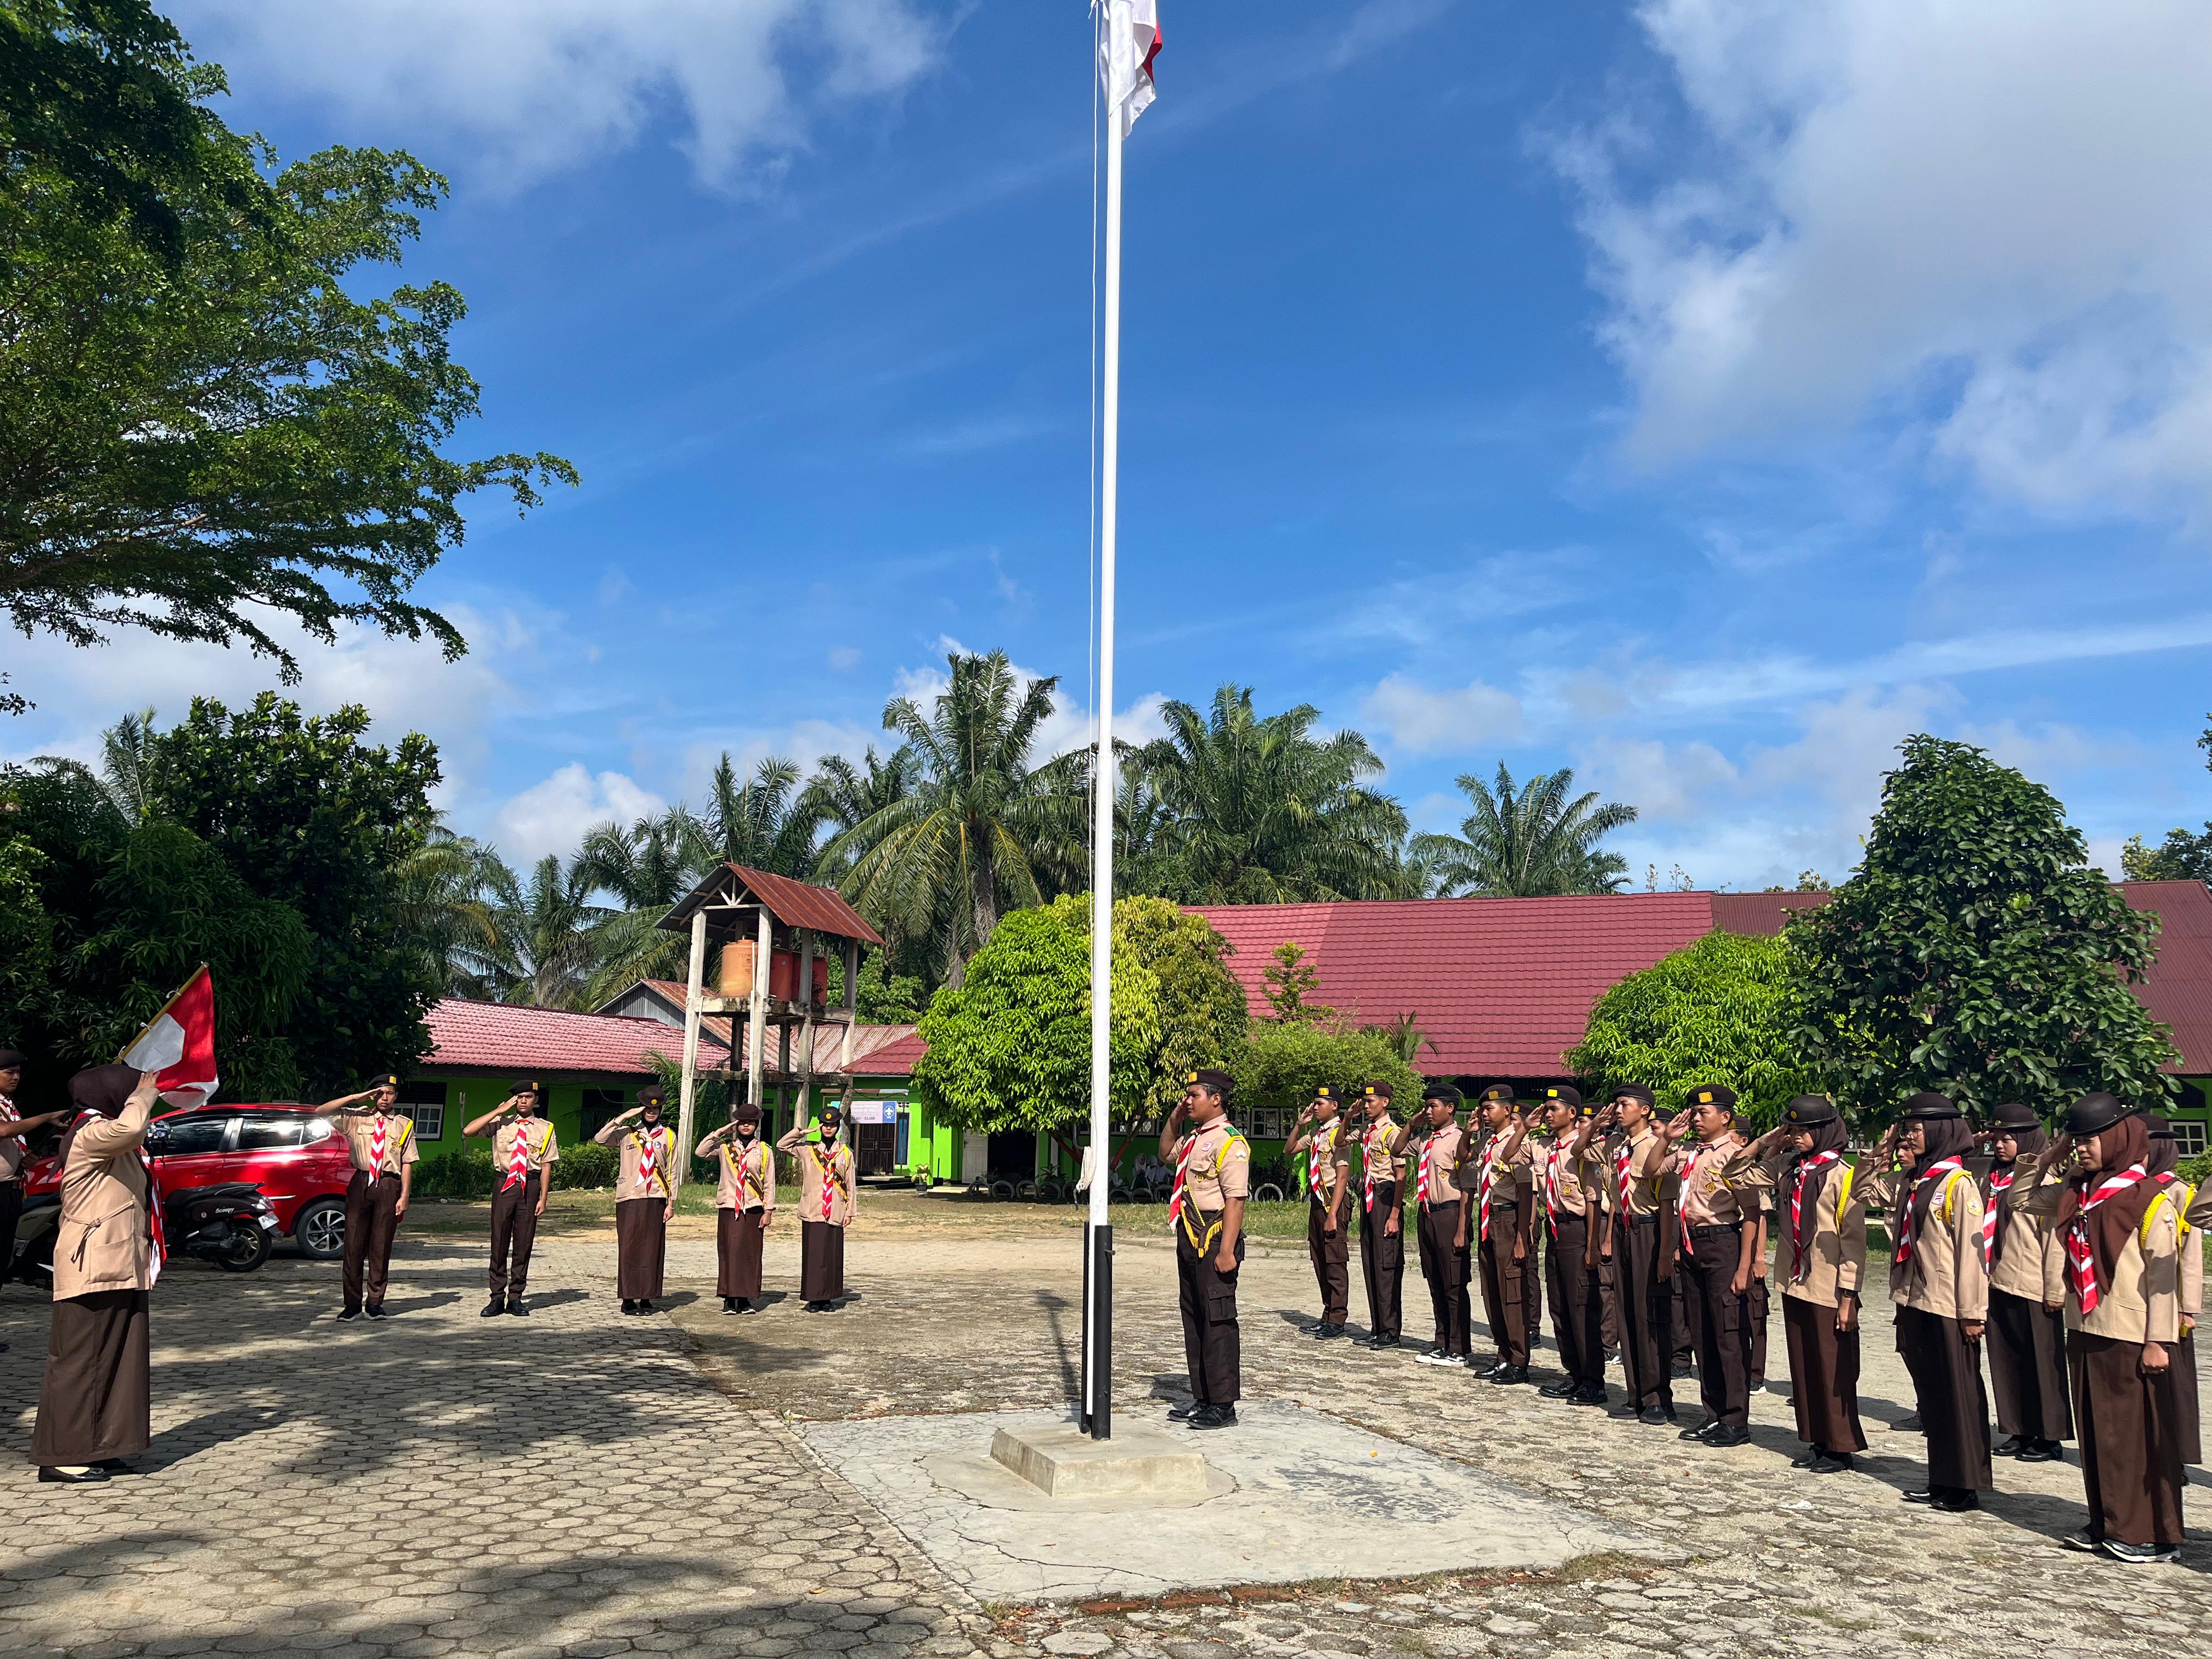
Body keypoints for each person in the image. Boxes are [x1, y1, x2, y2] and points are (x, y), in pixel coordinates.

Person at [2015, 1096, 2183, 1562]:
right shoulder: (2078, 1190)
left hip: (2130, 1331)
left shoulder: (2150, 1198)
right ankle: (2107, 1519)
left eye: (2088, 1139)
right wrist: (2049, 1156)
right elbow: (2022, 1199)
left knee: (2129, 1437)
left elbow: (2162, 1280)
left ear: (2116, 1139)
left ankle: (2143, 1532)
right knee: (2095, 1434)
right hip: (2086, 1323)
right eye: (2077, 1140)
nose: (2082, 1148)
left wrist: (2158, 1341)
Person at [1860, 1093, 1992, 1512]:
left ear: (1938, 1132)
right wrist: (1878, 1154)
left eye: (1916, 1130)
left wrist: (1973, 1313)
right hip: (1914, 1299)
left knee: (1958, 1395)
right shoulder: (1912, 1179)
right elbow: (1864, 1191)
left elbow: (1972, 1255)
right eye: (1908, 1129)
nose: (1910, 1136)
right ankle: (1941, 1479)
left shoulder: (1958, 1184)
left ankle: (1964, 1484)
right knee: (1933, 1396)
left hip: (1949, 1305)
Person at [31, 1065, 161, 1484]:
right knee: (80, 1362)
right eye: (125, 1090)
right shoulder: (92, 1132)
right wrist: (143, 1095)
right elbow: (133, 1128)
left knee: (114, 1361)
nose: (134, 1096)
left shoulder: (103, 1131)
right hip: (93, 1265)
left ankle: (101, 1446)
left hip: (119, 1263)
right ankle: (62, 1455)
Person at [1727, 1096, 1867, 1472]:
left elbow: (1853, 1241)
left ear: (1824, 1131)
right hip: (1795, 1281)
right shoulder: (1789, 1167)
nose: (1798, 1136)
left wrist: (1849, 1296)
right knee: (1805, 1365)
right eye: (1794, 1130)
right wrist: (1766, 1142)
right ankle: (1817, 1440)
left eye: (1805, 1130)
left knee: (1832, 1365)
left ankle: (1841, 1445)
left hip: (1828, 1283)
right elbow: (1733, 1175)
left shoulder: (1843, 1175)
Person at [1660, 1084, 1757, 1447]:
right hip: (1692, 1246)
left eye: (1704, 1113)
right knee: (1702, 1332)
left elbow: (1752, 1213)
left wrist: (1746, 1264)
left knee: (1728, 1334)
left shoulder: (1735, 1155)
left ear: (1726, 1117)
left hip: (1723, 1242)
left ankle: (1736, 1420)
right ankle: (1713, 1414)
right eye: (1694, 1113)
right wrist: (1668, 1138)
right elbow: (1653, 1168)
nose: (1697, 1119)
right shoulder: (1689, 1152)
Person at [1978, 1101, 2070, 1463]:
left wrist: (2054, 1290)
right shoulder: (1990, 1178)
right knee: (2007, 1360)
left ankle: (2048, 1437)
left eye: (2009, 1138)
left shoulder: (2044, 1182)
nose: (2000, 1145)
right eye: (1997, 1138)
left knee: (2042, 1363)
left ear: (2029, 1138)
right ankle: (2017, 1428)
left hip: (2033, 1283)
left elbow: (2054, 1241)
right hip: (1997, 1280)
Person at [1160, 1069, 1249, 1429]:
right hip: (1189, 1235)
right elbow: (1167, 1151)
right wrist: (1174, 1119)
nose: (1188, 1100)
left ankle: (1224, 1404)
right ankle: (1203, 1396)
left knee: (1218, 1318)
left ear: (1216, 1099)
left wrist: (1227, 1250)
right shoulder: (1196, 1137)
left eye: (1194, 1095)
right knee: (1194, 1318)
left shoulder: (1230, 1142)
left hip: (1214, 1239)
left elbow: (1236, 1201)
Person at [1598, 1084, 1676, 1423]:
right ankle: (1635, 1394)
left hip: (1649, 1229)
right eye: (1616, 1104)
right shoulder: (1616, 1145)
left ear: (1644, 1110)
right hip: (1623, 1229)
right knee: (1627, 1311)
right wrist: (1594, 1125)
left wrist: (1664, 1253)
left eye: (1624, 1104)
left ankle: (1658, 1397)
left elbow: (1669, 1205)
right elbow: (1582, 1149)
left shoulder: (1656, 1146)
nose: (1618, 1109)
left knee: (1650, 1313)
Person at [317, 1074, 417, 1322]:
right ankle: (351, 1305)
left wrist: (404, 1195)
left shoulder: (404, 1124)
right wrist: (355, 1097)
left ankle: (375, 1303)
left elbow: (406, 1162)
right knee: (352, 1245)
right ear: (372, 1094)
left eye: (390, 1093)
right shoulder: (356, 1117)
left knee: (381, 1246)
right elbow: (321, 1111)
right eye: (380, 1093)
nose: (385, 1098)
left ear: (396, 1096)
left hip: (388, 1184)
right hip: (361, 1181)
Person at [1537, 1087, 1609, 1405]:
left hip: (1578, 1230)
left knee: (1582, 1307)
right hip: (1555, 1230)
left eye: (1554, 1109)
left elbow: (1593, 1199)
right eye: (1546, 1109)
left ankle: (1593, 1380)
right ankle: (1574, 1374)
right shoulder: (1546, 1148)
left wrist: (1592, 1244)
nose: (1548, 1114)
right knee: (1561, 1307)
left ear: (1572, 1114)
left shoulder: (1585, 1149)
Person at [460, 1081, 558, 1317]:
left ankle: (516, 1297)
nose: (523, 1101)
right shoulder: (500, 1124)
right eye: (518, 1097)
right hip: (504, 1184)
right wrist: (498, 1111)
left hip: (531, 1184)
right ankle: (496, 1297)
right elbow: (468, 1131)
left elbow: (546, 1165)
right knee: (499, 1241)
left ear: (535, 1099)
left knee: (524, 1244)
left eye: (527, 1097)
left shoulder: (545, 1128)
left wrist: (543, 1198)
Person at [1469, 1085, 1537, 1385]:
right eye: (1482, 1108)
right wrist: (1469, 1131)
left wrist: (1523, 1236)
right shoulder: (1487, 1141)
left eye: (1489, 1108)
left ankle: (1519, 1359)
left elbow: (1525, 1192)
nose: (1484, 1112)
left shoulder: (1518, 1142)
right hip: (1488, 1218)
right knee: (1492, 1288)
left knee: (1512, 1290)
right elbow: (1464, 1156)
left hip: (1509, 1218)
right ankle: (1502, 1354)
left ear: (1507, 1110)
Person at [2144, 1114, 2200, 1469]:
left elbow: (2192, 1257)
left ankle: (2176, 1457)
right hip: (2145, 1303)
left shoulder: (2179, 1191)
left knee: (2175, 1387)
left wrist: (2189, 1308)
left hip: (2173, 1304)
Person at [1408, 1084, 1474, 1366]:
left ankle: (1459, 1348)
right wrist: (1413, 1122)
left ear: (1450, 1108)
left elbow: (1468, 1187)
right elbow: (1398, 1147)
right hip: (1427, 1213)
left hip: (1450, 1213)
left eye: (1433, 1106)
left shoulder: (1459, 1140)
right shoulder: (1426, 1138)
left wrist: (1462, 1229)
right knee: (1435, 1278)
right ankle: (1441, 1341)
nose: (1429, 1111)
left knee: (1453, 1282)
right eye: (1427, 1106)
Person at [596, 1087, 676, 1313]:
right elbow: (600, 1139)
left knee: (653, 1248)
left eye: (656, 1108)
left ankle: (647, 1296)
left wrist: (671, 1204)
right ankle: (629, 1297)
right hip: (630, 1196)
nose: (652, 1112)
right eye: (648, 1108)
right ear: (642, 1109)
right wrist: (622, 1118)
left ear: (661, 1109)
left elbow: (674, 1172)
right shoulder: (626, 1133)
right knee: (630, 1247)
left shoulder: (669, 1136)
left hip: (656, 1197)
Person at [0, 1049, 65, 1329]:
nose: (16, 1077)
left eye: (17, 1072)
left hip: (12, 1188)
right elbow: (4, 1131)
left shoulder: (7, 1103)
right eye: (8, 1073)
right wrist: (46, 1116)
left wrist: (25, 1159)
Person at [1285, 1086, 1352, 1339]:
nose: (1315, 1107)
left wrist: (1333, 1214)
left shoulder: (1339, 1134)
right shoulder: (1315, 1133)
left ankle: (1338, 1318)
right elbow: (1290, 1150)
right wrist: (1299, 1125)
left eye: (1320, 1103)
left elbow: (1343, 1175)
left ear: (1334, 1106)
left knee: (1335, 1260)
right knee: (1320, 1258)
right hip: (1317, 1200)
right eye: (1314, 1103)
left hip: (1333, 1199)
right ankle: (1327, 1314)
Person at [777, 1103, 855, 1311]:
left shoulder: (845, 1153)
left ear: (838, 1127)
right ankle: (813, 1298)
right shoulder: (808, 1150)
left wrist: (850, 1212)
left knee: (832, 1255)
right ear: (820, 1126)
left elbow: (851, 1184)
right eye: (825, 1125)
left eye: (833, 1125)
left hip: (836, 1210)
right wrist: (802, 1132)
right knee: (813, 1256)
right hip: (813, 1210)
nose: (829, 1128)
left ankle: (828, 1298)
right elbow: (781, 1145)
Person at [699, 1101, 775, 1313]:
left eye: (751, 1123)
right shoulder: (725, 1148)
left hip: (753, 1208)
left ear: (756, 1125)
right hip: (729, 1207)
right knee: (729, 1252)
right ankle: (728, 1298)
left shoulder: (764, 1151)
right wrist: (721, 1131)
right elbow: (700, 1151)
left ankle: (745, 1299)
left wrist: (768, 1211)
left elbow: (769, 1182)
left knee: (750, 1254)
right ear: (737, 1124)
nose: (746, 1126)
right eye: (742, 1122)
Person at [1352, 1082, 1409, 1350]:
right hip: (1369, 1196)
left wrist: (1395, 1213)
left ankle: (1390, 1330)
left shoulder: (1392, 1133)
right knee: (1371, 1262)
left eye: (1371, 1101)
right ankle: (1377, 1326)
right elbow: (1341, 1140)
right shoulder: (1367, 1130)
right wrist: (1349, 1119)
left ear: (1385, 1102)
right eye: (1364, 1101)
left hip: (1386, 1198)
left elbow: (1401, 1176)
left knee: (1387, 1265)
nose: (1366, 1105)